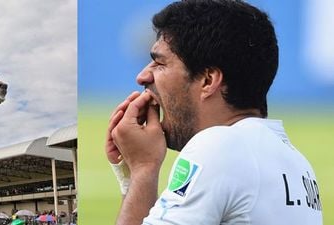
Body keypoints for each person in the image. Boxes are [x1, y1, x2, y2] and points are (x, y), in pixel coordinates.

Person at [106, 0, 323, 224]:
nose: (142, 77)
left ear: (208, 80)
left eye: (159, 63)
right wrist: (134, 177)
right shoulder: (298, 163)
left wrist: (143, 170)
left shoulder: (219, 146)